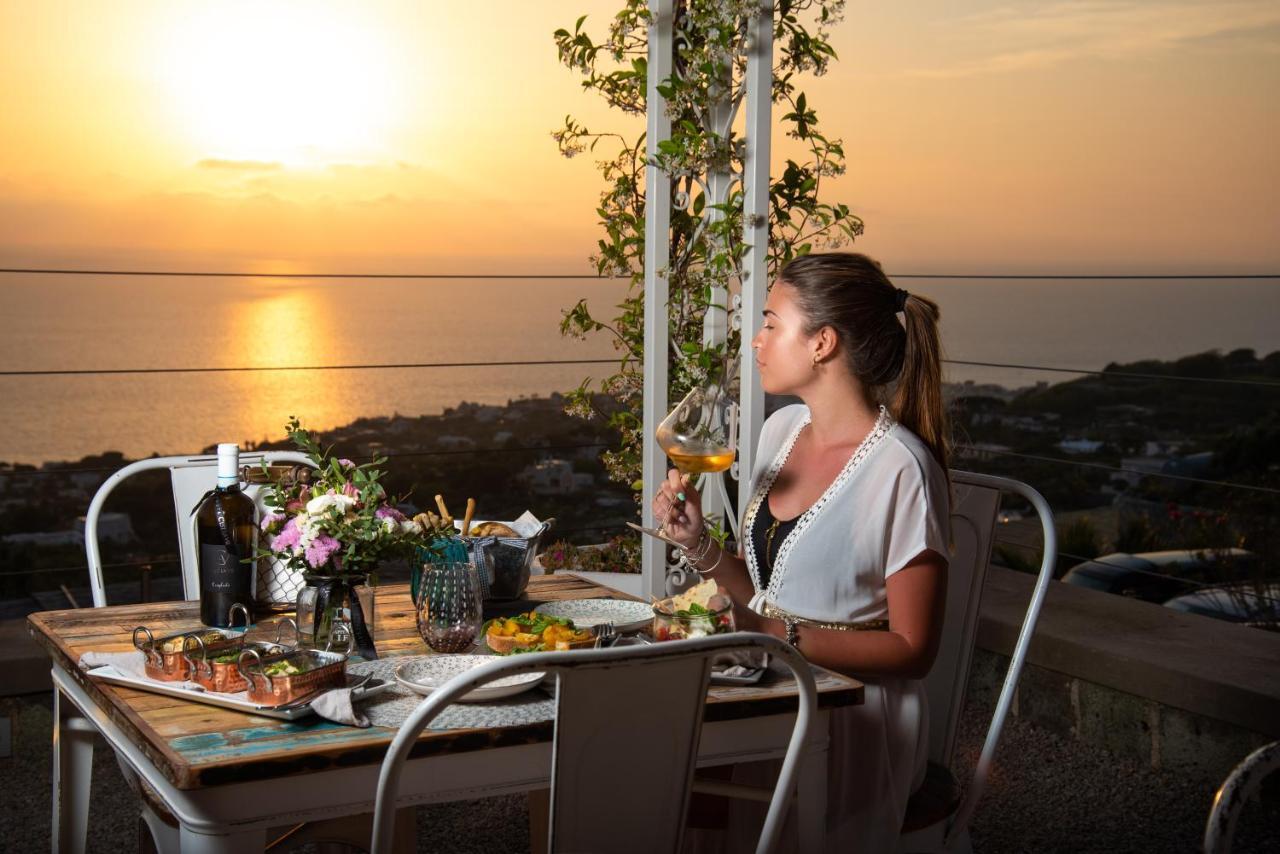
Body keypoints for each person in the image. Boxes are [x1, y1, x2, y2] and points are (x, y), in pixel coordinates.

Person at [653, 252, 951, 852]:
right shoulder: (778, 431)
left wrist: (775, 636)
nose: (757, 341)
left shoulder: (902, 470)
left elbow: (914, 652)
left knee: (668, 766)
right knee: (640, 746)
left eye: (770, 322)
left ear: (822, 343)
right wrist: (700, 545)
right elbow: (763, 596)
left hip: (855, 718)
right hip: (769, 688)